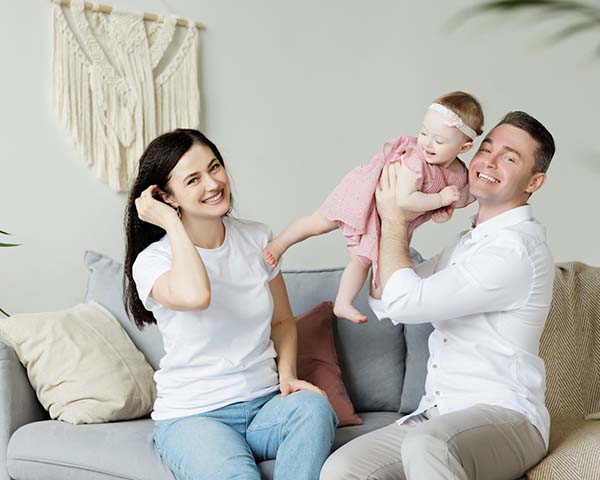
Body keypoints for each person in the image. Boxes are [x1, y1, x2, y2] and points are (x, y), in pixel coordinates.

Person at [320, 111, 556, 480]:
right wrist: (402, 218)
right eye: (487, 148)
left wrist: (396, 218)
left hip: (507, 417)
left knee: (426, 445)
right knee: (342, 469)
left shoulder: (514, 251)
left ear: (534, 182)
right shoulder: (468, 243)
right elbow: (386, 299)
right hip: (439, 413)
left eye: (510, 158)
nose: (488, 162)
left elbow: (406, 301)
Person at [122, 129, 337, 480]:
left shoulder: (256, 238)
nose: (213, 183)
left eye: (215, 167)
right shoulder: (152, 261)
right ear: (166, 197)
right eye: (193, 179)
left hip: (265, 403)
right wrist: (170, 223)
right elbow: (197, 295)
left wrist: (288, 377)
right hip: (194, 415)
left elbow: (282, 321)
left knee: (314, 408)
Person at [264, 91, 484, 323]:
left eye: (438, 140)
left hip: (385, 217)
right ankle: (279, 244)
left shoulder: (459, 174)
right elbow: (405, 200)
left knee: (362, 259)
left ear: (464, 148)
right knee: (319, 222)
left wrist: (443, 210)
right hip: (365, 194)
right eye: (423, 132)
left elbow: (462, 197)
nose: (426, 143)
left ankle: (342, 303)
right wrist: (439, 199)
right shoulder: (415, 160)